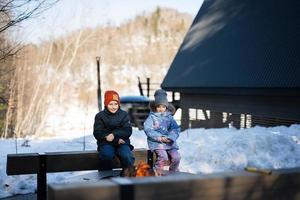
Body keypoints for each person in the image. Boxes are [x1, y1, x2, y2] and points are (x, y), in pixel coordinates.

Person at [93, 90, 135, 176]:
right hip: (106, 142)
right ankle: (105, 176)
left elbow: (127, 130)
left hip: (122, 142)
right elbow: (97, 132)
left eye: (115, 104)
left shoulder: (124, 115)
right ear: (106, 104)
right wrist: (108, 137)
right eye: (110, 104)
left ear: (119, 104)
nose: (113, 107)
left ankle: (128, 174)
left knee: (126, 155)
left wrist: (114, 135)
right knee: (106, 155)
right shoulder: (100, 116)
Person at [144, 89, 181, 175]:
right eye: (159, 106)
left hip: (169, 142)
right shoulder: (152, 117)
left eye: (163, 107)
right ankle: (158, 173)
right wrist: (160, 138)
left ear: (166, 107)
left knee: (177, 157)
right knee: (163, 156)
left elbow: (175, 128)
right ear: (155, 107)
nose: (161, 109)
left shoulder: (169, 117)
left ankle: (172, 173)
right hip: (157, 142)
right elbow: (148, 129)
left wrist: (171, 137)